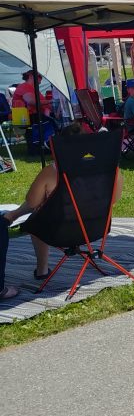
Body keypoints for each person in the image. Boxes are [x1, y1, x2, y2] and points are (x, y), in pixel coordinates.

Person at [1, 123, 124, 292]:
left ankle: (42, 269)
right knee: (42, 206)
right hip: (97, 228)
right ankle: (13, 215)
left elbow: (32, 201)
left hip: (60, 232)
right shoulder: (111, 170)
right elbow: (114, 200)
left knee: (36, 217)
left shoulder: (52, 172)